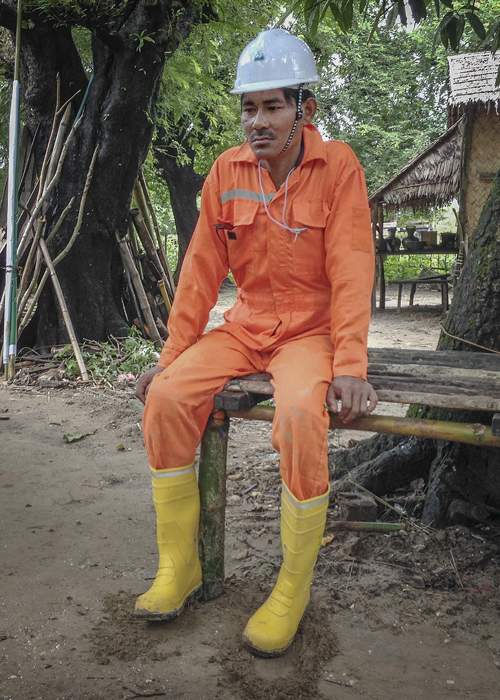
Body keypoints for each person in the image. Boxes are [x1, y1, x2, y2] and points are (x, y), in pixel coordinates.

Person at [134, 28, 378, 657]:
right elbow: (198, 274)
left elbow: (352, 268)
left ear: (305, 109)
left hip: (309, 332)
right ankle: (178, 567)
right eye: (249, 107)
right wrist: (169, 359)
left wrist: (350, 364)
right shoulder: (226, 171)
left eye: (273, 106)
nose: (258, 121)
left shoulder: (339, 167)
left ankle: (291, 590)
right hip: (245, 326)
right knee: (167, 397)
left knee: (301, 413)